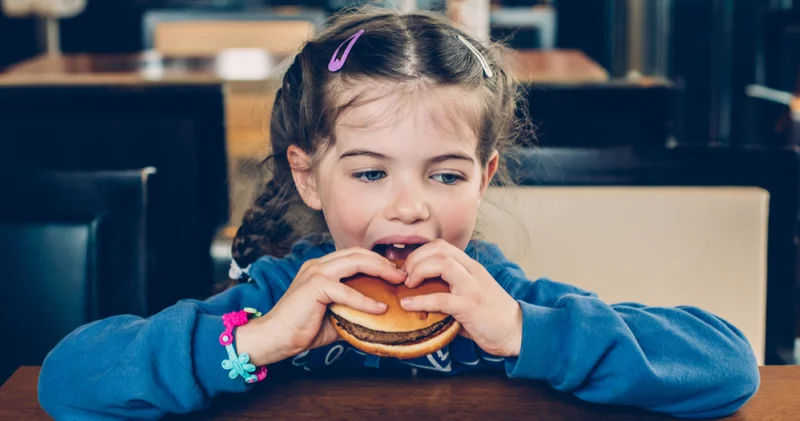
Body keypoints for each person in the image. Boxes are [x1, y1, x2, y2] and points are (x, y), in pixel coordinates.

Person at [38, 8, 759, 420]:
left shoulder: (500, 301)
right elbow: (65, 380)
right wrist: (254, 342)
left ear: (484, 179)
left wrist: (524, 331)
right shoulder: (276, 300)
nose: (410, 206)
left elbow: (727, 364)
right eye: (370, 172)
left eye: (445, 174)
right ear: (309, 176)